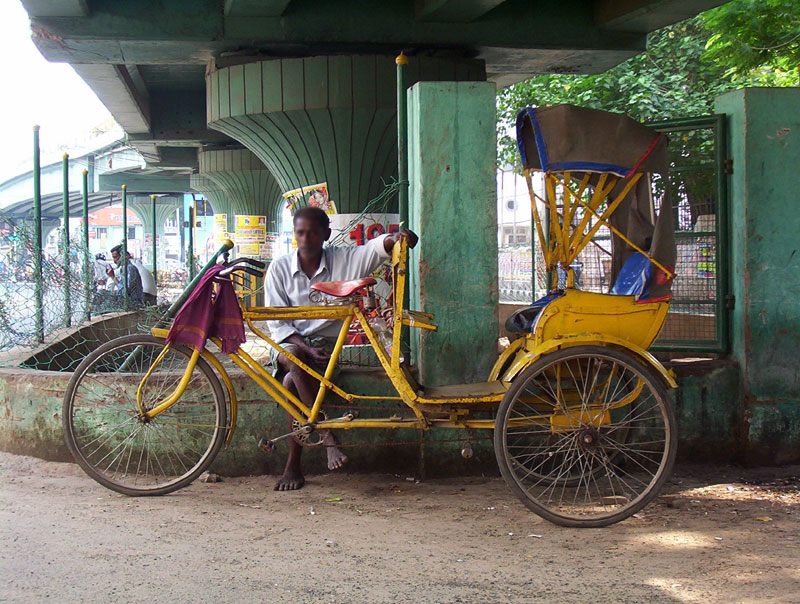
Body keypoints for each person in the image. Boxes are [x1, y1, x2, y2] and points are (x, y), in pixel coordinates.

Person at [265, 206, 418, 491]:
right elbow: (278, 325)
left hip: (325, 350)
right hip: (289, 346)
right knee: (294, 357)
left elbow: (374, 249)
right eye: (300, 232)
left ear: (326, 234)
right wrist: (304, 349)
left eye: (312, 232)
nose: (306, 238)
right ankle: (329, 438)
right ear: (294, 234)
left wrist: (396, 238)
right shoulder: (279, 269)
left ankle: (294, 466)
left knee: (290, 383)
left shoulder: (343, 260)